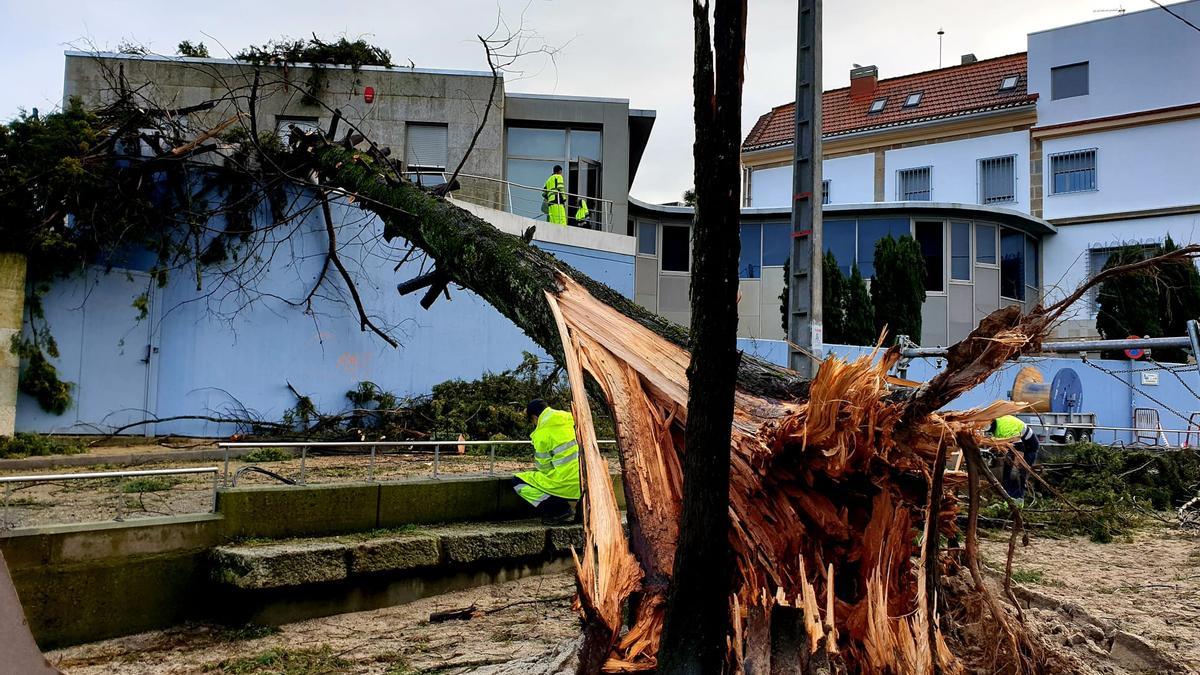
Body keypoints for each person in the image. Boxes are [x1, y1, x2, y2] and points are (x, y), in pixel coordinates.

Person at [512, 399, 580, 524]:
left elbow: (544, 468)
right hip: (587, 480)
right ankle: (580, 509)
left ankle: (559, 509)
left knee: (518, 482)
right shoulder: (570, 419)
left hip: (567, 483)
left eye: (532, 421)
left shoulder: (542, 433)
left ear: (535, 417)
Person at [987, 414, 1040, 506]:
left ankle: (1017, 502)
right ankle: (1009, 500)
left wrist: (1015, 469)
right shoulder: (995, 425)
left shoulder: (1006, 427)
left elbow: (1020, 449)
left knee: (1018, 476)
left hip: (1028, 448)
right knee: (1007, 474)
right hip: (1015, 448)